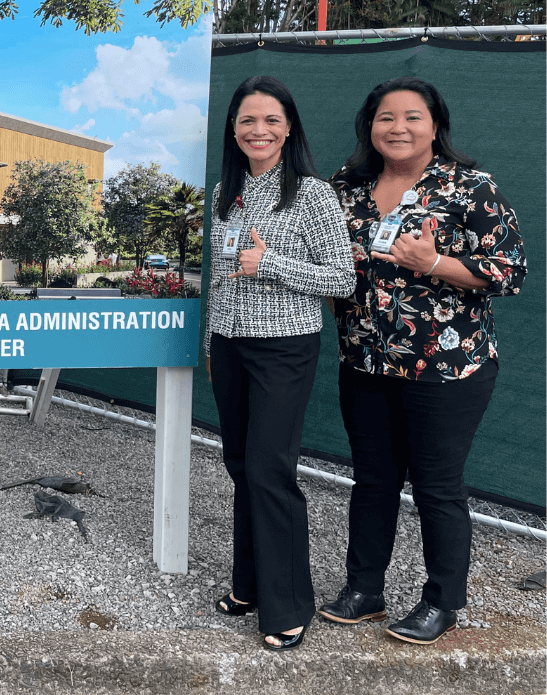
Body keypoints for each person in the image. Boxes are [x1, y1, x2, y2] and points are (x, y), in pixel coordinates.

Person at [320, 77, 525, 644]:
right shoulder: (348, 187)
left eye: (413, 117)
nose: (399, 128)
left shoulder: (470, 187)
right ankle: (364, 591)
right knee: (373, 480)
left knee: (437, 485)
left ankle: (441, 602)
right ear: (370, 127)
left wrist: (435, 263)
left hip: (447, 369)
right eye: (386, 118)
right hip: (364, 361)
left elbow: (510, 272)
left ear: (436, 126)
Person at [204, 76, 355, 651]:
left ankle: (288, 604)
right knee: (241, 466)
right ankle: (249, 586)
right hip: (231, 344)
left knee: (271, 470)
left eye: (270, 120)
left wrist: (272, 265)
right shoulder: (224, 191)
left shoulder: (312, 194)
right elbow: (221, 275)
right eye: (247, 121)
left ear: (288, 127)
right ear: (233, 130)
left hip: (283, 347)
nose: (258, 130)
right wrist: (214, 345)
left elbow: (341, 278)